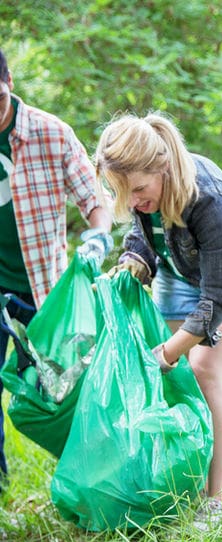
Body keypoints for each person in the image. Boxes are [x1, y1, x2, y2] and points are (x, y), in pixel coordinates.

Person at [94, 113, 222, 515]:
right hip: (178, 268)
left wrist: (169, 351)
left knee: (203, 369)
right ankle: (186, 482)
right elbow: (144, 231)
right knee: (178, 381)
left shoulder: (206, 197)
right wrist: (134, 261)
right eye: (125, 196)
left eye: (140, 190)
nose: (135, 202)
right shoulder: (142, 190)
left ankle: (217, 501)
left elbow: (216, 299)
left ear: (162, 166)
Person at [0, 48, 114, 488]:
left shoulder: (51, 134)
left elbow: (93, 199)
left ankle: (85, 476)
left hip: (47, 293)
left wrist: (98, 236)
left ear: (9, 79)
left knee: (66, 390)